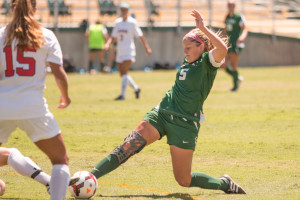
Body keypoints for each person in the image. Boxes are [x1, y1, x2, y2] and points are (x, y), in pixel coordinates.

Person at [88, 10, 246, 194]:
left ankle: (224, 184)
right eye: (183, 48)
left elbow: (223, 50)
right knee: (129, 145)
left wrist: (202, 27)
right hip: (162, 113)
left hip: (185, 122)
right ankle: (89, 177)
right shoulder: (188, 60)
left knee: (183, 180)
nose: (184, 52)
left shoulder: (208, 62)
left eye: (188, 48)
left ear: (201, 46)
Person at [0, 0, 71, 199]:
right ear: (36, 9)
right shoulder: (46, 35)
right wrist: (65, 96)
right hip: (34, 107)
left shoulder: (1, 35)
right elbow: (59, 73)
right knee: (60, 160)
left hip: (2, 106)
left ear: (11, 8)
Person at [104, 2, 152, 100]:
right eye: (122, 9)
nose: (124, 11)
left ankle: (122, 95)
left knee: (124, 72)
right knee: (122, 73)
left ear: (128, 11)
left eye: (125, 9)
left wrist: (147, 47)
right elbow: (113, 36)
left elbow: (140, 35)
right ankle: (136, 88)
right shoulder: (118, 22)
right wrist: (108, 44)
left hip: (129, 50)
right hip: (120, 50)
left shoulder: (132, 22)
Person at [221, 0, 247, 92]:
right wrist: (222, 39)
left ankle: (235, 87)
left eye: (232, 6)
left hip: (235, 44)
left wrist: (241, 38)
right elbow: (226, 30)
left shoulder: (239, 17)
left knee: (233, 65)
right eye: (229, 6)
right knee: (222, 64)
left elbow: (245, 29)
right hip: (228, 44)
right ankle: (237, 78)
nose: (230, 7)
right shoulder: (227, 17)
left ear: (234, 7)